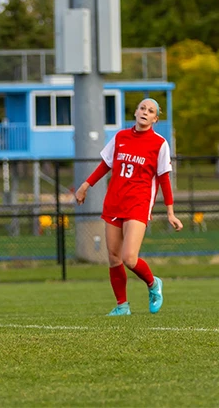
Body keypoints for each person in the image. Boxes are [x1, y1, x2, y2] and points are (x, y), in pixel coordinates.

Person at [74, 98, 183, 316]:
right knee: (114, 258)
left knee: (129, 258)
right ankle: (122, 306)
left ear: (155, 118)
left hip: (138, 204)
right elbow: (106, 164)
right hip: (115, 202)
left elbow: (164, 179)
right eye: (142, 108)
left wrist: (170, 212)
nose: (145, 112)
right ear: (135, 112)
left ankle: (153, 284)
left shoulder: (159, 143)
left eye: (150, 110)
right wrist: (86, 185)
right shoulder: (121, 137)